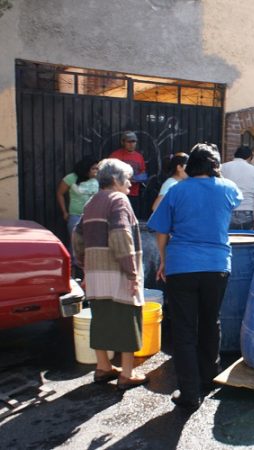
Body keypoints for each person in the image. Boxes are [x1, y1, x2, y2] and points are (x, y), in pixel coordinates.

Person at [148, 143, 242, 410]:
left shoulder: (177, 190)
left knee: (184, 329)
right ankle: (210, 377)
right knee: (211, 322)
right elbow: (232, 199)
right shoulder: (229, 188)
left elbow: (161, 230)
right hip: (217, 266)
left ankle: (190, 393)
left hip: (181, 266)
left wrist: (164, 260)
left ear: (190, 166)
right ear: (215, 166)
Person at [72, 158, 147, 390]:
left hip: (95, 272)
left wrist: (85, 265)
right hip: (118, 271)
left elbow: (77, 236)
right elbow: (121, 236)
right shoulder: (119, 200)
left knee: (101, 319)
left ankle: (103, 367)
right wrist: (132, 273)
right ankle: (126, 374)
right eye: (128, 179)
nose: (130, 183)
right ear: (115, 180)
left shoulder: (92, 202)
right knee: (128, 318)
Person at [56, 156, 100, 271]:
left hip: (94, 217)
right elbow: (60, 193)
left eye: (97, 169)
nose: (96, 171)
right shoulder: (71, 178)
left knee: (91, 243)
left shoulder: (98, 179)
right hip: (75, 216)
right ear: (86, 169)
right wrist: (64, 212)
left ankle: (88, 269)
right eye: (93, 169)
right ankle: (72, 272)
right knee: (75, 244)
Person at [220, 145, 254, 230]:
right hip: (247, 212)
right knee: (246, 239)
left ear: (235, 155)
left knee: (228, 240)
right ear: (249, 157)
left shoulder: (223, 167)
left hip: (227, 211)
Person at [110, 131, 147, 217]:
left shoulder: (139, 156)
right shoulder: (115, 155)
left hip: (134, 193)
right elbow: (109, 173)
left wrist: (137, 178)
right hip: (118, 193)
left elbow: (143, 173)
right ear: (123, 142)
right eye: (129, 141)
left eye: (134, 141)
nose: (132, 144)